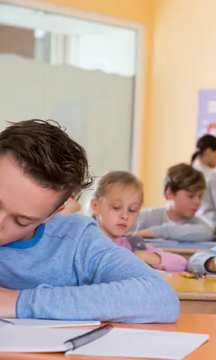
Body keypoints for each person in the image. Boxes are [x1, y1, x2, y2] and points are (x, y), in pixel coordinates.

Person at [0, 119, 179, 322]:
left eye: (21, 221)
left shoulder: (76, 240)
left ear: (54, 213)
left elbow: (160, 298)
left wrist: (18, 302)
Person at [91, 171, 187, 272]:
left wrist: (149, 257)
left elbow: (181, 263)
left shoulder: (133, 245)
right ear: (95, 206)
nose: (125, 216)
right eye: (116, 207)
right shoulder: (83, 243)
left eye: (132, 209)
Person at [133, 163, 214, 242]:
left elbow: (209, 232)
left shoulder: (201, 227)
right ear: (169, 193)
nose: (198, 202)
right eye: (191, 196)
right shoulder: (143, 218)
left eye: (200, 196)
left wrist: (156, 232)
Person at [191, 134, 216, 227]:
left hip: (193, 223)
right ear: (208, 152)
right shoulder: (212, 176)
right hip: (211, 224)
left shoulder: (188, 171)